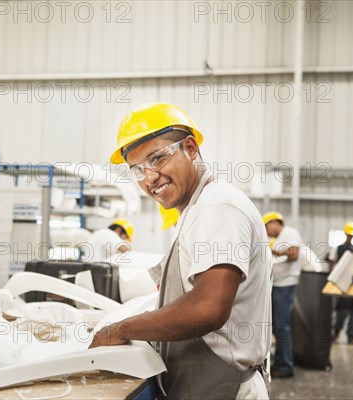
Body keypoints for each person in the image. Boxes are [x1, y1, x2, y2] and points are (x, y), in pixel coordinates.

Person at [89, 102, 272, 399]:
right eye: (137, 170)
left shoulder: (217, 208)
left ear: (190, 148)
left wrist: (121, 329)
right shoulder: (197, 210)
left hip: (224, 388)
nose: (149, 178)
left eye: (158, 158)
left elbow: (208, 308)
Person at [263, 211, 303, 379]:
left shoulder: (290, 233)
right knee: (277, 326)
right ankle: (280, 361)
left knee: (282, 326)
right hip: (277, 285)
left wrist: (273, 250)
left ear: (273, 222)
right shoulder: (279, 238)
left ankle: (286, 366)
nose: (267, 232)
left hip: (285, 285)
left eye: (267, 228)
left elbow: (293, 255)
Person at [329, 221, 353, 344]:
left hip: (351, 283)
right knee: (341, 309)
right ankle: (336, 331)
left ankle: (351, 336)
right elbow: (331, 265)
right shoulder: (338, 249)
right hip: (339, 283)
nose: (350, 237)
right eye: (349, 235)